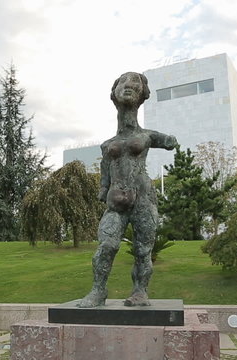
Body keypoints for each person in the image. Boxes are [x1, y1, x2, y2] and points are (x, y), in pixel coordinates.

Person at [78, 72, 177, 308]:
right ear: (114, 93)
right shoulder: (107, 144)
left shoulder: (148, 136)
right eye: (123, 82)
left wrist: (170, 139)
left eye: (135, 83)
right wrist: (103, 189)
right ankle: (98, 291)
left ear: (143, 95)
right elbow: (105, 168)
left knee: (143, 251)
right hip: (115, 202)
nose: (129, 85)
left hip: (143, 199)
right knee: (107, 245)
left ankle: (140, 291)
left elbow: (169, 141)